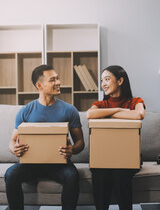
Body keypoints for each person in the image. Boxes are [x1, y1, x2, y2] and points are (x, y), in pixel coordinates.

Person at [5, 64, 85, 210]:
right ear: (39, 85)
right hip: (30, 165)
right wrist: (14, 148)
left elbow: (80, 142)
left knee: (72, 176)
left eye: (58, 78)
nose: (58, 82)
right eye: (52, 80)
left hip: (59, 165)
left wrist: (71, 150)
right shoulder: (26, 111)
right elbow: (12, 141)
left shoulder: (70, 110)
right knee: (10, 174)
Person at [87, 65, 145, 210]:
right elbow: (89, 114)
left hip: (128, 157)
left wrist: (106, 113)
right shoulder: (99, 104)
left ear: (120, 81)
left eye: (107, 79)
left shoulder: (135, 101)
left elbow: (139, 114)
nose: (103, 84)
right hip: (103, 157)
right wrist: (119, 110)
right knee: (99, 173)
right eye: (101, 80)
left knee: (120, 172)